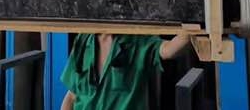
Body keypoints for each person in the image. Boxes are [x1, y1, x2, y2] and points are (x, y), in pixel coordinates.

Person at [59, 32, 191, 109]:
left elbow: (169, 50)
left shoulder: (138, 41)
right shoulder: (83, 40)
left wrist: (192, 24)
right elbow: (71, 96)